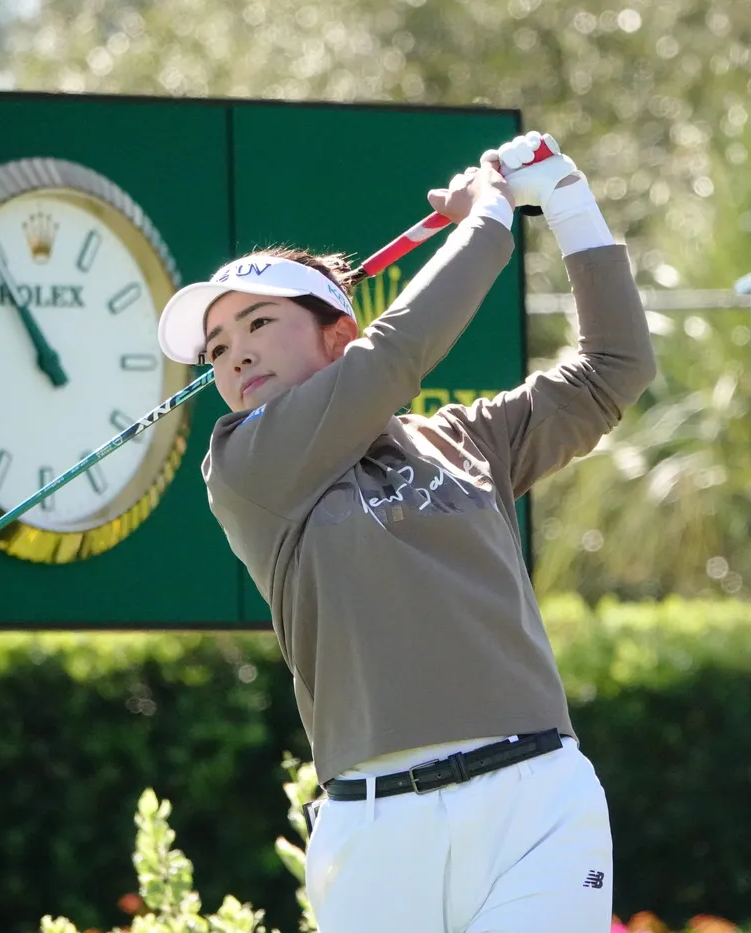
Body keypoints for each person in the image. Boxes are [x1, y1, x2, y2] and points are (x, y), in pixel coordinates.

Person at [156, 132, 657, 933]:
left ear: (336, 334)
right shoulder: (245, 465)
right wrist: (488, 218)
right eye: (217, 348)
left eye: (259, 323)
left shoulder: (465, 440)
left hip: (536, 802)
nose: (235, 355)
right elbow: (394, 358)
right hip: (377, 827)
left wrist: (565, 199)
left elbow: (614, 369)